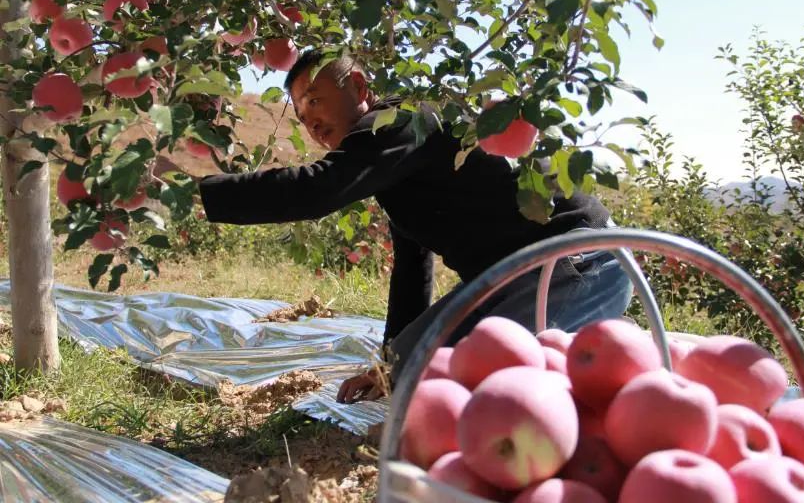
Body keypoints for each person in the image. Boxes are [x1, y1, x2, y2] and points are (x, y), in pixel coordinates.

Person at [156, 49, 634, 404]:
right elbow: (412, 267)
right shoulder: (398, 167)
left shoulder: (403, 121)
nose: (312, 122)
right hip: (522, 276)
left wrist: (199, 192)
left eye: (317, 100)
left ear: (359, 87)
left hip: (578, 261)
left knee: (465, 385)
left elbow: (316, 189)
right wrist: (391, 362)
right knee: (408, 365)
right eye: (301, 115)